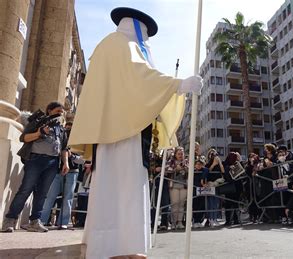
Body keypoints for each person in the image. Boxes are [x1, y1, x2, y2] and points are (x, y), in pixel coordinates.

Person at [67, 7, 202, 258]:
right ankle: (123, 246)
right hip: (125, 132)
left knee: (110, 187)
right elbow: (142, 77)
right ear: (138, 28)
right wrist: (178, 84)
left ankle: (106, 244)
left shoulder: (107, 45)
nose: (147, 40)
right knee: (125, 188)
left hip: (114, 129)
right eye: (147, 34)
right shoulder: (123, 45)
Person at [2, 102, 69, 233]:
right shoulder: (38, 122)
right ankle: (10, 220)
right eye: (57, 111)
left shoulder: (61, 129)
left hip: (52, 163)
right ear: (49, 111)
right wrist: (39, 133)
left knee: (42, 193)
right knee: (25, 190)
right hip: (35, 160)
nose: (60, 114)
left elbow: (64, 148)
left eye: (62, 112)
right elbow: (24, 138)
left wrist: (65, 162)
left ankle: (35, 221)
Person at [41, 122, 84, 229]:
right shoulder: (59, 138)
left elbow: (83, 160)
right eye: (67, 129)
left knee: (67, 198)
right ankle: (41, 220)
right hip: (57, 172)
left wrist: (72, 156)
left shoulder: (79, 142)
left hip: (72, 172)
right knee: (50, 196)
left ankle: (63, 222)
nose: (68, 131)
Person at [165, 147, 188, 230]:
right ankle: (174, 222)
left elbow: (191, 170)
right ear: (175, 154)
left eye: (182, 154)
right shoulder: (171, 161)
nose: (180, 155)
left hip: (184, 185)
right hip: (173, 185)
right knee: (174, 204)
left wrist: (185, 168)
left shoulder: (186, 161)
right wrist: (175, 169)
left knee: (182, 204)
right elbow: (167, 169)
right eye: (179, 154)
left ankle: (180, 222)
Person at [198, 160, 219, 227]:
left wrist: (219, 163)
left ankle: (214, 218)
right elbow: (207, 169)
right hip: (206, 185)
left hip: (214, 185)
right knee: (208, 203)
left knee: (215, 203)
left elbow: (223, 171)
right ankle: (209, 219)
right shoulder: (207, 165)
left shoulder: (218, 165)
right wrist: (213, 164)